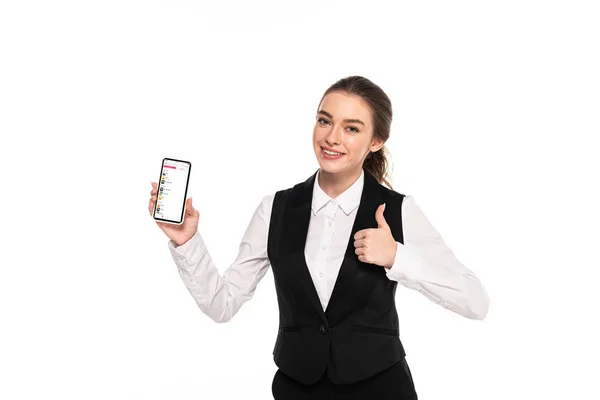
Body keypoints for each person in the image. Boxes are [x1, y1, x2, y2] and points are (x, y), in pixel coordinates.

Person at [148, 76, 489, 399]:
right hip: (297, 390)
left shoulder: (399, 211)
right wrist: (186, 241)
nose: (332, 138)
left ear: (376, 141)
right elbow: (222, 304)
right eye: (325, 121)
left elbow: (475, 302)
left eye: (351, 128)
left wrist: (397, 256)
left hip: (382, 390)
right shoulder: (275, 209)